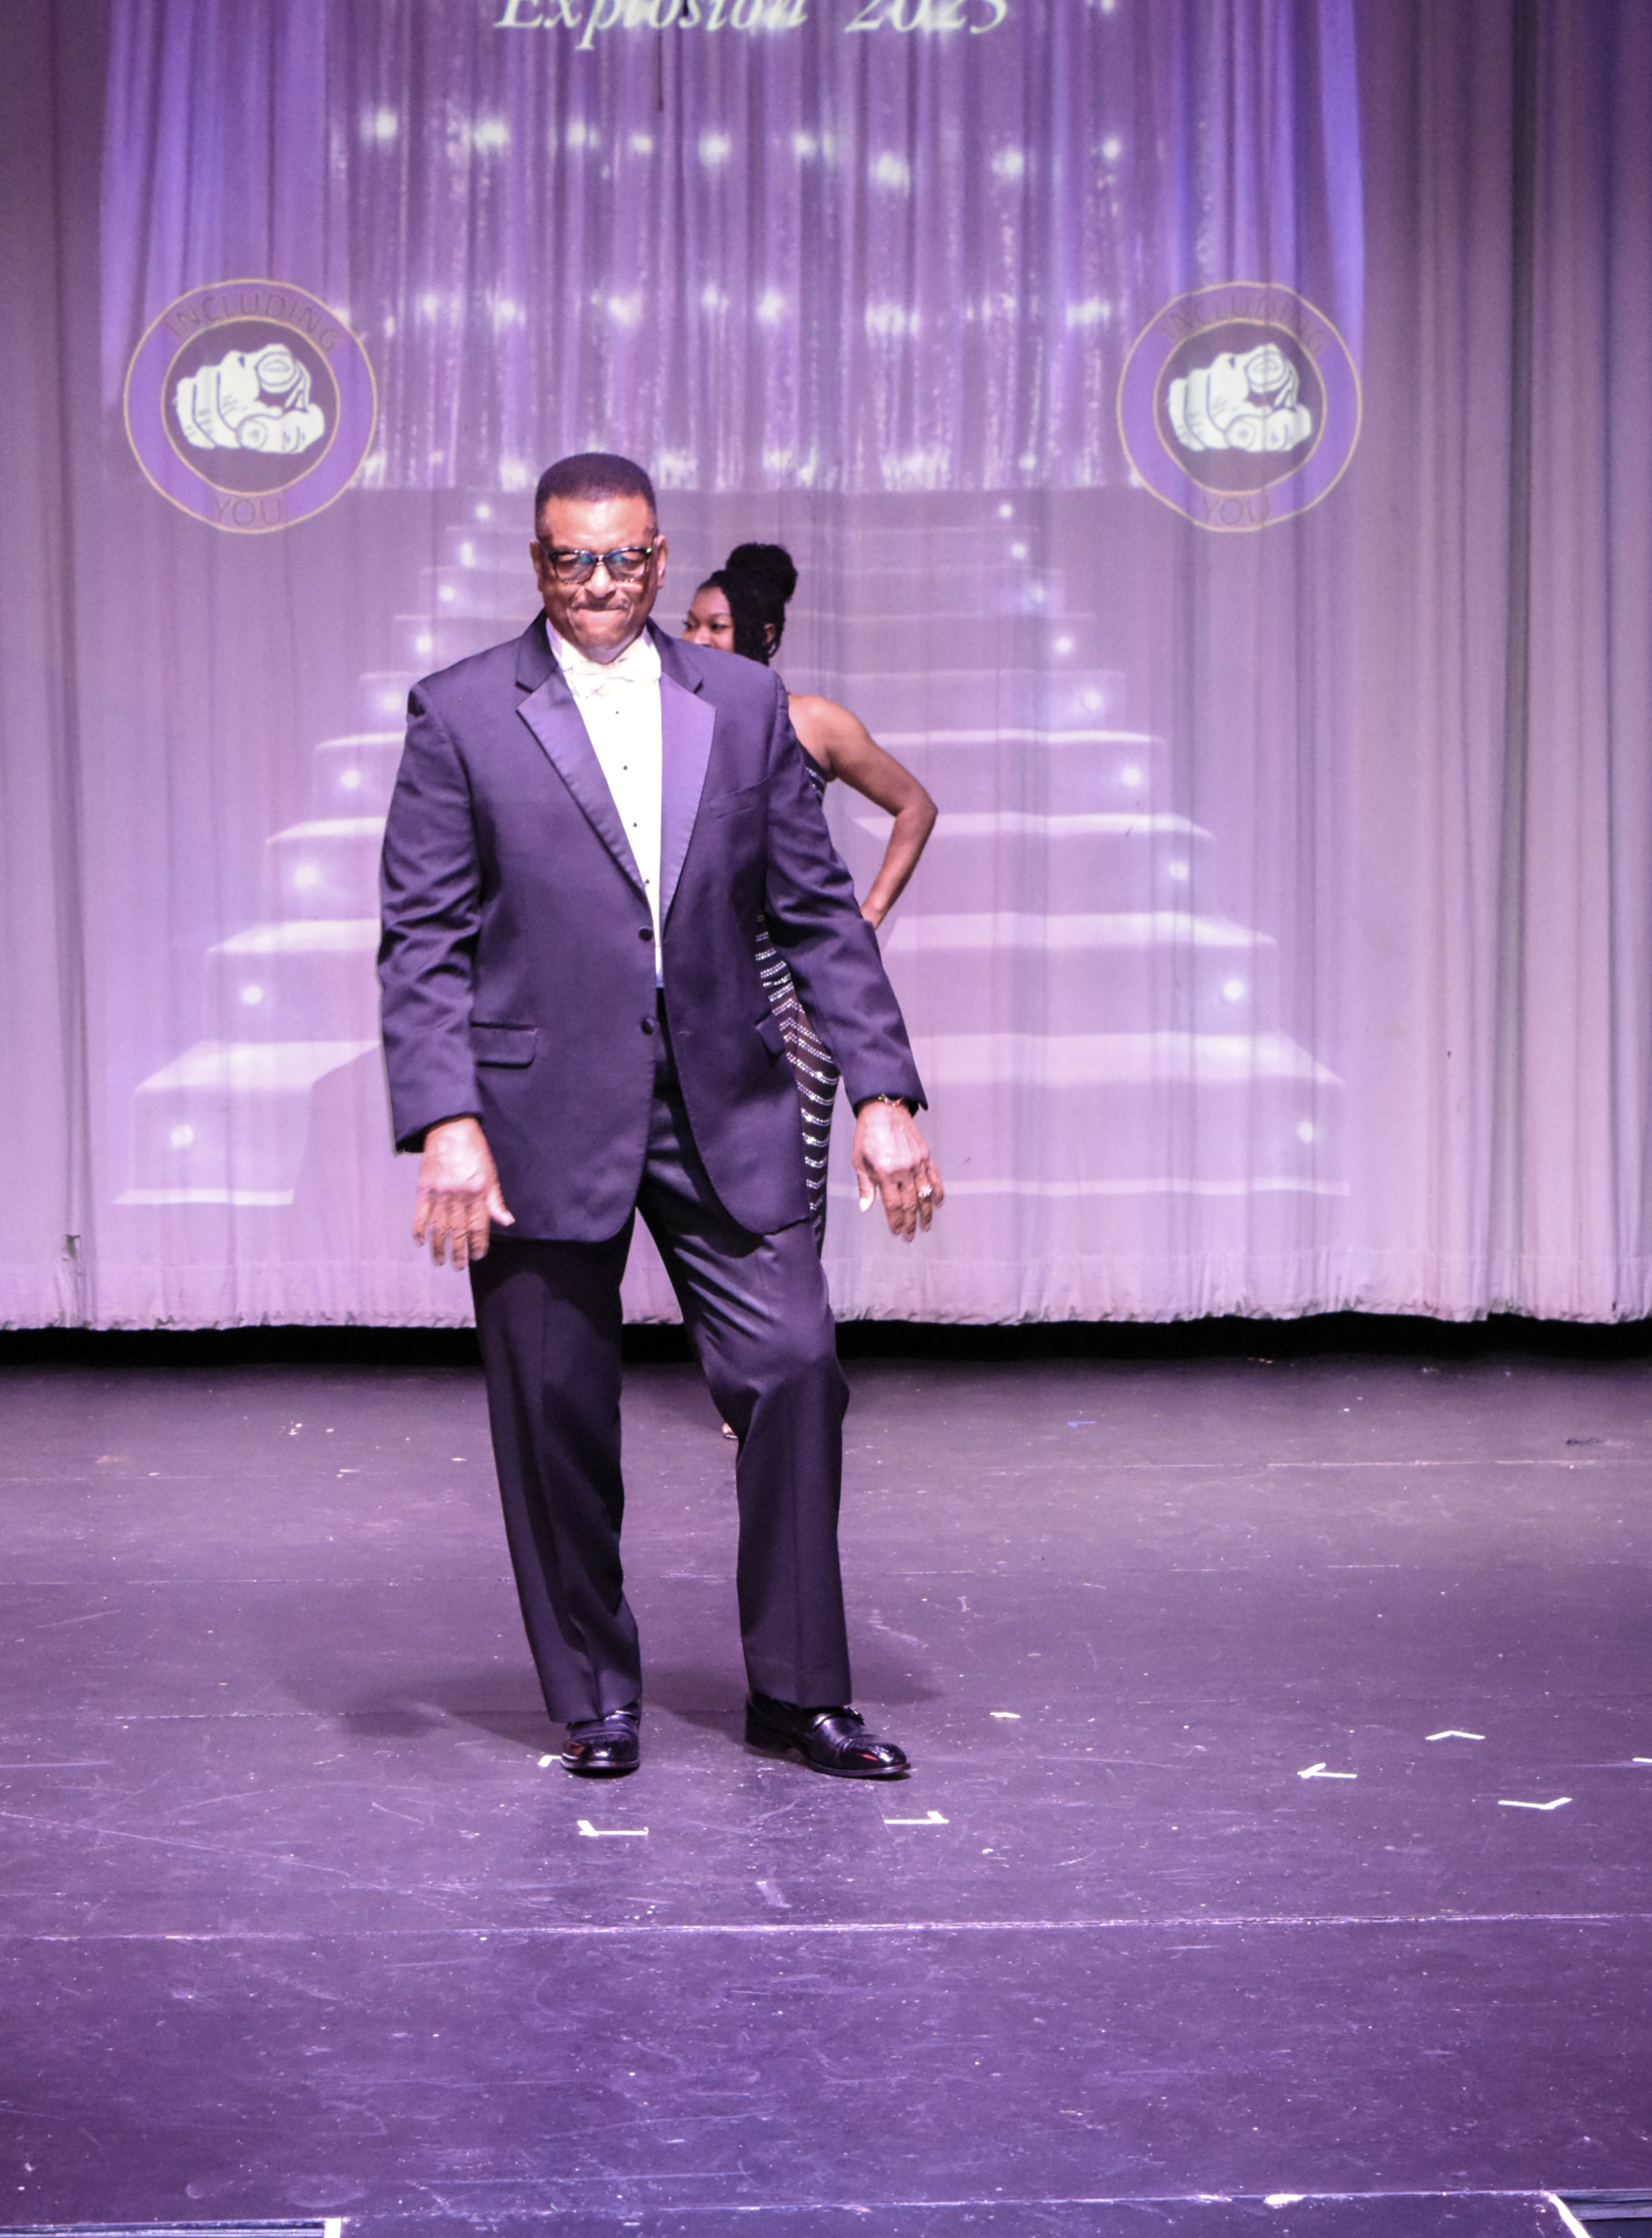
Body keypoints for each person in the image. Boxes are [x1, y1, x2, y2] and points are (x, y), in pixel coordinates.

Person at [378, 454, 944, 1783]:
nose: (599, 583)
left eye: (623, 558)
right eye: (573, 558)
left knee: (794, 1367)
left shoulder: (741, 704)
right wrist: (444, 1116)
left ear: (658, 555)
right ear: (537, 561)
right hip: (535, 1111)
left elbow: (816, 912)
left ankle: (797, 1690)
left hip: (722, 1097)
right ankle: (594, 1692)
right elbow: (422, 937)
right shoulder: (461, 710)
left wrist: (883, 1090)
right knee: (557, 1413)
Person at [683, 545, 937, 1247]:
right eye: (691, 624)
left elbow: (915, 806)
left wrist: (868, 914)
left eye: (716, 626)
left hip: (790, 989)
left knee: (790, 1198)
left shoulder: (811, 720)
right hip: (711, 987)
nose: (697, 639)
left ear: (764, 634)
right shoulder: (675, 721)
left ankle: (797, 1315)